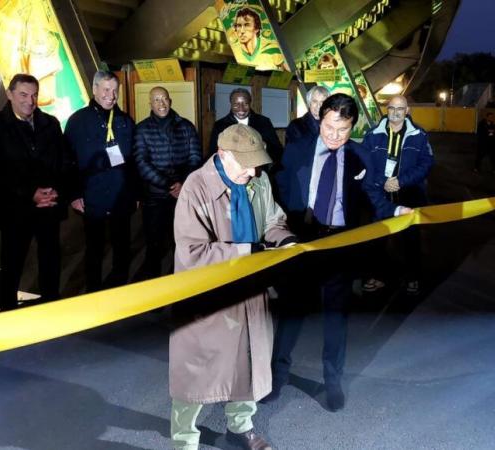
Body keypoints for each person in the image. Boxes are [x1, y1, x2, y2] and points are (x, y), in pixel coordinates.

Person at [270, 93, 407, 411]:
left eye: (342, 129)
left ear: (352, 127)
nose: (334, 135)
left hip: (341, 248)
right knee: (291, 314)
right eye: (329, 127)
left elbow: (373, 194)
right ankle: (277, 377)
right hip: (302, 245)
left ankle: (332, 382)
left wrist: (395, 210)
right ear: (320, 120)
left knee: (335, 320)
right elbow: (278, 191)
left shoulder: (361, 157)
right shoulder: (297, 150)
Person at [170, 124, 295, 450]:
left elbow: (272, 221)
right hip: (209, 298)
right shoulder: (195, 188)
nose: (254, 171)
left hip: (251, 292)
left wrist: (286, 240)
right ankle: (184, 441)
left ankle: (240, 427)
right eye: (247, 163)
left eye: (257, 162)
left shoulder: (257, 180)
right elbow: (193, 252)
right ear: (223, 155)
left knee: (248, 363)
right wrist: (248, 252)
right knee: (195, 376)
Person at [0, 73, 72, 310]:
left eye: (34, 95)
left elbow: (63, 161)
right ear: (9, 94)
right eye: (23, 94)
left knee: (50, 261)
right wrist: (30, 192)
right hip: (15, 210)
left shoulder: (51, 124)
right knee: (12, 264)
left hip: (48, 207)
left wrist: (54, 192)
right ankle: (8, 312)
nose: (29, 101)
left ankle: (51, 306)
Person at [65, 70, 137, 292]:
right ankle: (94, 293)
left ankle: (119, 289)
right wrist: (74, 195)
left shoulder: (125, 121)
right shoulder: (77, 121)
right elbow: (67, 162)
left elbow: (134, 161)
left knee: (122, 248)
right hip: (91, 197)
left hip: (121, 196)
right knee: (94, 249)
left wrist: (136, 194)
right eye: (106, 89)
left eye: (114, 90)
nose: (111, 95)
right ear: (94, 90)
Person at [359, 95, 434, 294]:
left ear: (407, 110)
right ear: (387, 110)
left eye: (400, 108)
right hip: (380, 193)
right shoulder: (372, 134)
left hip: (408, 193)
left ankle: (413, 278)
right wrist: (383, 182)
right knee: (377, 237)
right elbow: (365, 163)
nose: (395, 112)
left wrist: (401, 181)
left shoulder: (419, 134)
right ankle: (375, 276)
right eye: (392, 108)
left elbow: (426, 164)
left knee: (410, 238)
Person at [134, 86, 202, 279]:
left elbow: (196, 157)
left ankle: (180, 282)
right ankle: (154, 287)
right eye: (156, 100)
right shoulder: (142, 129)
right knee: (154, 243)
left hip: (183, 194)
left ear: (170, 101)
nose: (161, 103)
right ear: (150, 103)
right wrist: (168, 185)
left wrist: (182, 183)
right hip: (155, 196)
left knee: (181, 241)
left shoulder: (186, 126)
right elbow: (141, 162)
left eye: (164, 99)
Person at [208, 88, 282, 164]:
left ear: (250, 103)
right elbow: (213, 153)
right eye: (236, 104)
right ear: (231, 104)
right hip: (232, 172)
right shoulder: (220, 125)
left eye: (245, 104)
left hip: (259, 169)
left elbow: (277, 149)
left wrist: (263, 146)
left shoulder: (264, 122)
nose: (241, 109)